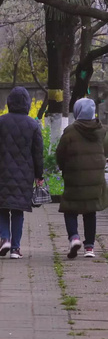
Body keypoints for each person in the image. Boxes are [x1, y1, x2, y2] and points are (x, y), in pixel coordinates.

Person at [0, 86, 44, 259]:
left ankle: (5, 238)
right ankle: (15, 249)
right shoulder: (33, 125)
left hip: (3, 172)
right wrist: (39, 175)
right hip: (25, 174)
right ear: (28, 104)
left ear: (9, 102)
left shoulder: (1, 121)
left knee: (2, 208)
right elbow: (38, 153)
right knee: (17, 211)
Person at [56, 97, 108, 259]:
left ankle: (74, 238)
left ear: (77, 111)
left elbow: (60, 154)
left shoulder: (70, 131)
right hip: (95, 178)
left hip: (74, 177)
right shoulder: (102, 131)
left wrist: (64, 168)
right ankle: (90, 248)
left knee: (70, 209)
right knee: (90, 211)